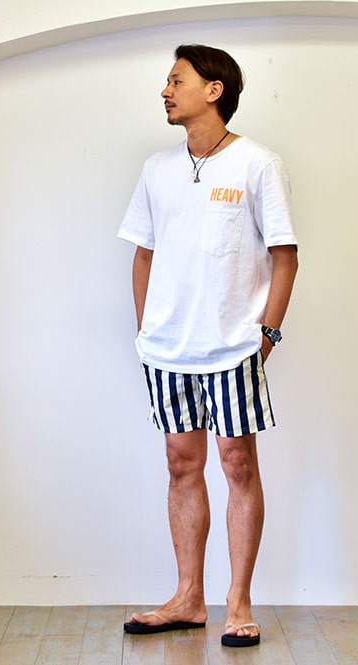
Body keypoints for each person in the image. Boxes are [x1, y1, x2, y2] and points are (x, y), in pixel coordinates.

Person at [118, 44, 298, 648]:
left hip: (233, 347)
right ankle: (188, 597)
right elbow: (143, 254)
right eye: (167, 82)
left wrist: (267, 335)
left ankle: (238, 602)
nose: (165, 91)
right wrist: (146, 331)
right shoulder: (157, 168)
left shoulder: (258, 164)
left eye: (176, 80)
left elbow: (285, 256)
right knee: (181, 464)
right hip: (167, 349)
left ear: (213, 90)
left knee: (238, 464)